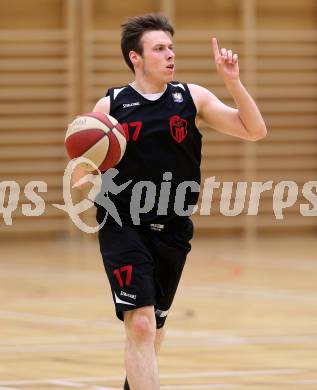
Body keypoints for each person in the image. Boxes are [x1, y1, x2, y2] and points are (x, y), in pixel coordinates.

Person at [74, 13, 267, 390]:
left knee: (153, 328)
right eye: (159, 48)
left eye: (171, 47)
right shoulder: (110, 105)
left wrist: (233, 82)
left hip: (174, 228)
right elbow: (81, 172)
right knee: (141, 324)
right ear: (136, 57)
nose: (169, 54)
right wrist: (98, 183)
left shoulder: (191, 98)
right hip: (123, 223)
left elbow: (254, 130)